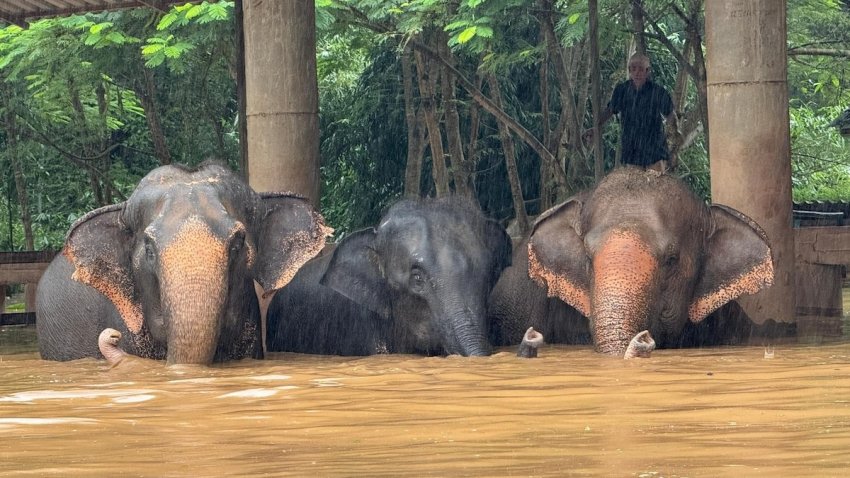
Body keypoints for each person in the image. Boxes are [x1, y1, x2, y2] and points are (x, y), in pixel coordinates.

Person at [585, 53, 681, 172]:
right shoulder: (622, 90)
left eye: (641, 69)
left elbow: (671, 115)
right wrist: (596, 127)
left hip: (655, 148)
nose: (637, 73)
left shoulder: (658, 92)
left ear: (648, 71)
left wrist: (675, 139)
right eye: (633, 68)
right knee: (634, 187)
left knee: (657, 185)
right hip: (632, 149)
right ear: (629, 70)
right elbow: (610, 110)